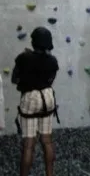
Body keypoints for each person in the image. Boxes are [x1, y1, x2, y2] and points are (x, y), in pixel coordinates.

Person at [11, 27, 59, 176]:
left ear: (33, 42)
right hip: (47, 97)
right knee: (47, 140)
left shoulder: (23, 57)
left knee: (29, 144)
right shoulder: (52, 60)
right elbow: (50, 79)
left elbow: (15, 79)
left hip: (30, 98)